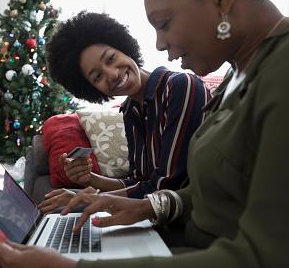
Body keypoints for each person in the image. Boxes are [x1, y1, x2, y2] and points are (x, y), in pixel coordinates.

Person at [0, 0, 289, 268]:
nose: (160, 44)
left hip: (203, 257)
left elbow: (271, 267)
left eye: (164, 23)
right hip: (180, 238)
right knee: (20, 263)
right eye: (97, 76)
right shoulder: (235, 79)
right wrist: (144, 207)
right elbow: (204, 192)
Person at [38, 11, 209, 214]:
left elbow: (166, 187)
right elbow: (138, 181)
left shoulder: (180, 87)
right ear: (93, 90)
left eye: (111, 58)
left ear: (124, 48)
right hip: (155, 221)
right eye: (97, 76)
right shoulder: (130, 109)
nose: (112, 74)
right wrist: (90, 178)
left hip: (192, 221)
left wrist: (85, 199)